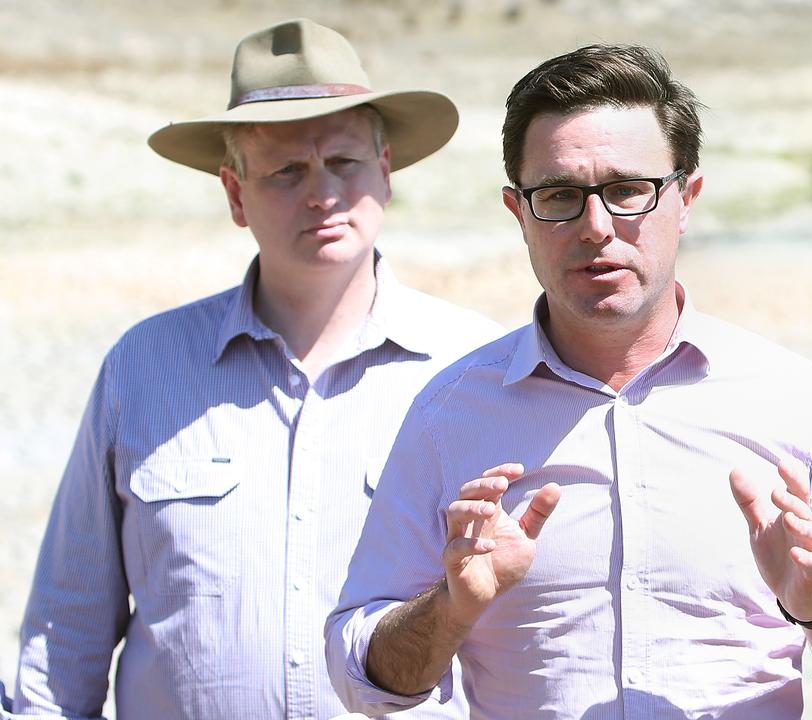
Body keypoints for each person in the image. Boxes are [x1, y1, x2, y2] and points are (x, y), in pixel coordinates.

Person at [325, 43, 812, 719]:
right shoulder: (451, 413)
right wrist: (451, 607)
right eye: (558, 196)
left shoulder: (792, 398)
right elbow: (361, 676)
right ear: (517, 212)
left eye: (626, 190)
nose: (596, 227)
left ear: (686, 198)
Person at [10, 18, 500, 719]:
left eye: (345, 162)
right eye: (287, 171)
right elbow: (66, 631)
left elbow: (518, 632)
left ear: (385, 174)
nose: (322, 193)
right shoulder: (142, 369)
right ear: (235, 194)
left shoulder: (471, 367)